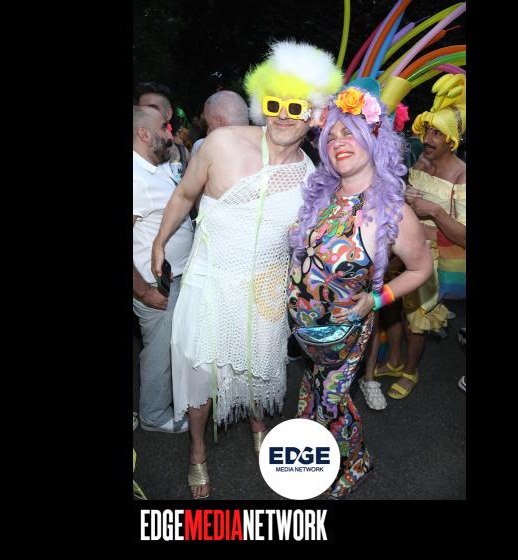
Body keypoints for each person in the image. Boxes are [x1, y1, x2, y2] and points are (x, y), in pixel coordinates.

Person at [151, 40, 343, 499]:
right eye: (274, 104)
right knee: (199, 375)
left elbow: (309, 244)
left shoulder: (311, 176)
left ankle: (259, 427)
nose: (283, 116)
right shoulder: (221, 143)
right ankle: (198, 451)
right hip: (208, 282)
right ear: (261, 105)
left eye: (296, 107)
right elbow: (184, 195)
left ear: (314, 115)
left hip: (265, 291)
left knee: (258, 368)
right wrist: (159, 241)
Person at [287, 79, 433, 499]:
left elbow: (421, 269)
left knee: (333, 402)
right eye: (331, 135)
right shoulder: (322, 194)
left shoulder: (392, 212)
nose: (338, 142)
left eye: (349, 132)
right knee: (315, 388)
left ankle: (355, 463)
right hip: (304, 328)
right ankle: (317, 446)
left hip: (343, 331)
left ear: (374, 138)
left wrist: (375, 299)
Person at [386, 73, 466, 400]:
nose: (428, 139)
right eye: (427, 130)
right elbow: (407, 200)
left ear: (452, 140)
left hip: (436, 258)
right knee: (390, 306)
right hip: (404, 246)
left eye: (437, 133)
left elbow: (464, 236)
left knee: (415, 320)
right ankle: (393, 360)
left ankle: (410, 370)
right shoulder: (421, 161)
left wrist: (433, 211)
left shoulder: (461, 175)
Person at [132, 105, 194, 432]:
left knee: (170, 348)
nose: (170, 133)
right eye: (164, 128)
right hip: (154, 285)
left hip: (174, 277)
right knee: (158, 353)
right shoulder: (135, 176)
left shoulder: (155, 167)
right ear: (144, 134)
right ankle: (154, 417)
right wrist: (143, 291)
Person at [191, 90, 249, 154]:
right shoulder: (256, 144)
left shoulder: (202, 147)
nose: (207, 132)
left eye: (209, 125)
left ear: (220, 122)